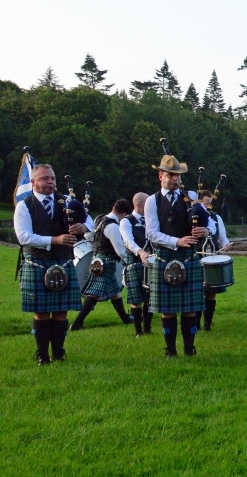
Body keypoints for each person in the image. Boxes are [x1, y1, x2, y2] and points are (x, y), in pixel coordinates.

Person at [14, 163, 87, 364]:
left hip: (63, 261)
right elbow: (24, 237)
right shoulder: (24, 205)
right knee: (42, 312)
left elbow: (88, 221)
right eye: (45, 178)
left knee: (61, 312)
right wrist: (54, 240)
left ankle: (58, 353)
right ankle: (43, 356)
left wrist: (84, 226)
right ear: (33, 181)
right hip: (38, 262)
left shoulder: (67, 202)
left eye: (52, 178)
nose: (50, 182)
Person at [145, 152, 209, 357]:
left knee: (190, 308)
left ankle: (190, 349)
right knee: (168, 309)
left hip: (188, 256)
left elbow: (211, 223)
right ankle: (170, 350)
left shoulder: (189, 197)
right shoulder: (151, 201)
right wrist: (177, 241)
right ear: (160, 176)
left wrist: (206, 231)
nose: (175, 179)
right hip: (166, 256)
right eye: (171, 175)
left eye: (178, 175)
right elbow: (152, 233)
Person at [71, 198, 135, 330]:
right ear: (124, 215)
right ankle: (77, 323)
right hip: (106, 262)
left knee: (115, 292)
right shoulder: (113, 227)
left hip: (99, 259)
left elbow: (89, 235)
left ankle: (126, 319)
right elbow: (120, 249)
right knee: (94, 294)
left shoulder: (100, 218)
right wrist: (130, 261)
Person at [197, 189, 231, 331]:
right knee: (197, 291)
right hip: (196, 257)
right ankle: (195, 324)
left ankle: (207, 324)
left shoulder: (216, 218)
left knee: (211, 292)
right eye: (205, 205)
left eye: (209, 205)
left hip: (212, 258)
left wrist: (226, 245)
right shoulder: (192, 217)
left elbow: (222, 236)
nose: (207, 208)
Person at [119, 192, 153, 336]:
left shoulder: (151, 220)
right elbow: (128, 240)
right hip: (135, 263)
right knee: (137, 299)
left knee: (150, 298)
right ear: (139, 205)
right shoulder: (126, 221)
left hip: (151, 263)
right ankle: (138, 331)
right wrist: (140, 252)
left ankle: (147, 329)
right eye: (147, 204)